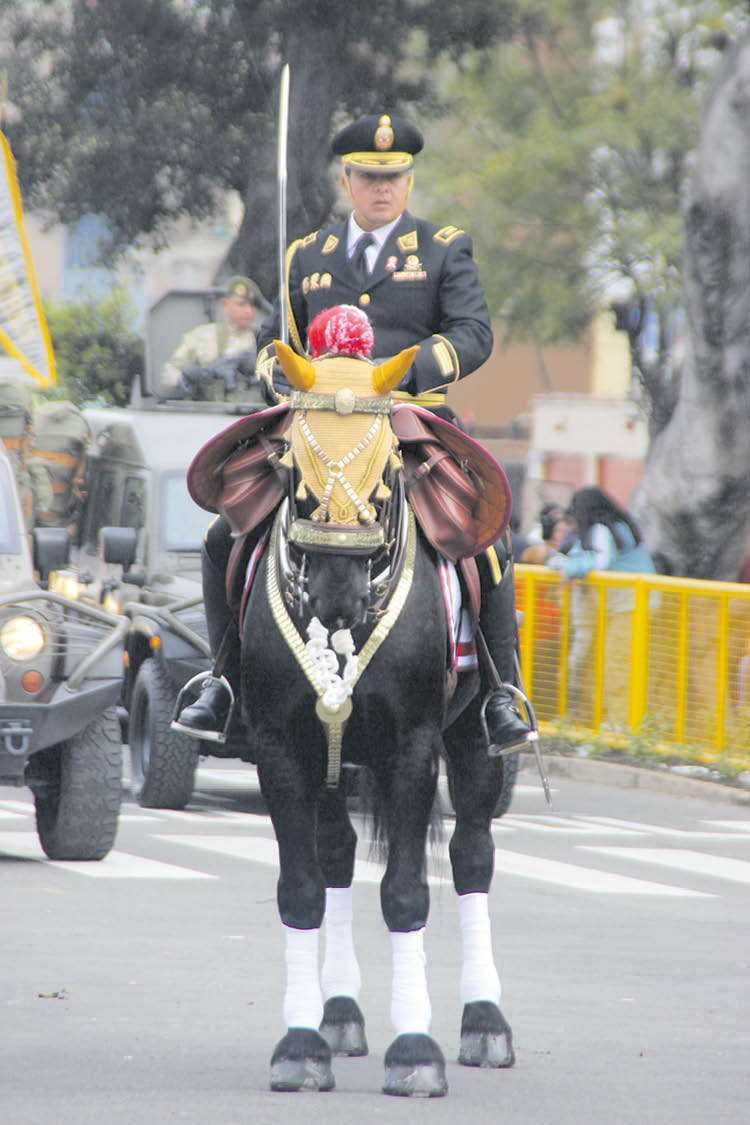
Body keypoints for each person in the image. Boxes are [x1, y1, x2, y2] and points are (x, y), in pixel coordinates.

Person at [174, 113, 529, 755]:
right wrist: (276, 376)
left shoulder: (445, 249)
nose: (382, 188)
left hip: (410, 421)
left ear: (410, 179)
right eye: (368, 176)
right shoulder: (307, 256)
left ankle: (502, 692)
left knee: (486, 534)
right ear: (348, 179)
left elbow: (474, 334)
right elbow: (272, 339)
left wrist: (399, 374)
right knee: (223, 532)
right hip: (317, 426)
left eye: (394, 177)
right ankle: (221, 680)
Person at [546, 486, 655, 725]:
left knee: (617, 665)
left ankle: (620, 725)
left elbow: (602, 560)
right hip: (626, 605)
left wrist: (569, 569)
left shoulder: (604, 529)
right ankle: (605, 721)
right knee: (607, 663)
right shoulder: (611, 528)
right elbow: (582, 555)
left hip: (630, 605)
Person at [160, 276, 265, 401]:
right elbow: (169, 372)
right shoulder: (202, 336)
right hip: (207, 412)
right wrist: (189, 378)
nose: (248, 311)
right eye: (241, 304)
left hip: (251, 413)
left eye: (253, 306)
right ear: (225, 305)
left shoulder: (263, 341)